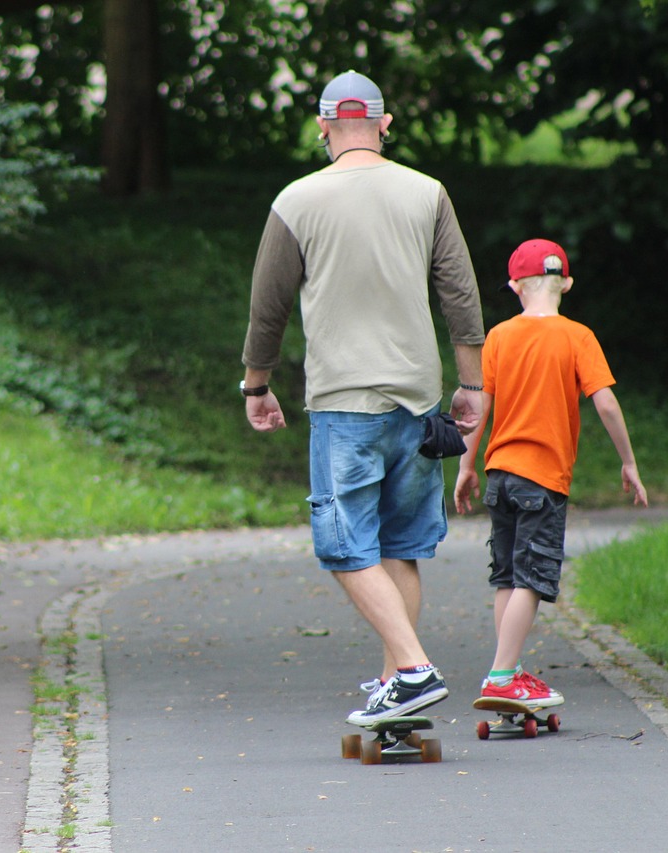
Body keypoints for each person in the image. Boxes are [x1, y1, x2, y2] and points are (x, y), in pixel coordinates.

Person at [240, 70, 486, 725]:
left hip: (345, 402)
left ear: (322, 127)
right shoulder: (427, 193)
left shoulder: (296, 200)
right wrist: (472, 385)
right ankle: (397, 693)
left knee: (345, 546)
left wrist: (257, 383)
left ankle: (411, 668)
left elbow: (268, 310)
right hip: (415, 401)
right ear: (385, 123)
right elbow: (460, 298)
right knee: (399, 546)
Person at [454, 238, 647, 704]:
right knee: (532, 579)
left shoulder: (499, 336)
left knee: (506, 576)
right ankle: (502, 677)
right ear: (567, 283)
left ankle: (510, 671)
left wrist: (465, 465)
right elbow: (605, 402)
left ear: (516, 286)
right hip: (542, 479)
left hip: (500, 474)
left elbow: (480, 406)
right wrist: (628, 462)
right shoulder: (577, 336)